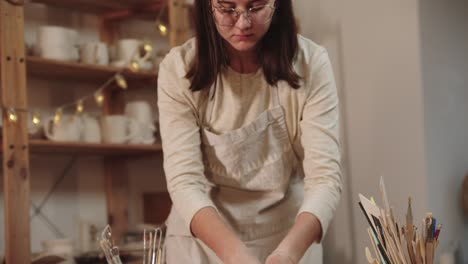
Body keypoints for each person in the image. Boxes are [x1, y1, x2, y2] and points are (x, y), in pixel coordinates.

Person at [157, 0, 342, 263]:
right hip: (204, 245)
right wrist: (236, 255)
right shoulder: (178, 69)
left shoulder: (310, 63)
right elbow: (184, 181)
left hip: (288, 237)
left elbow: (325, 178)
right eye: (227, 8)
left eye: (255, 7)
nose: (243, 22)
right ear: (206, 6)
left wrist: (287, 256)